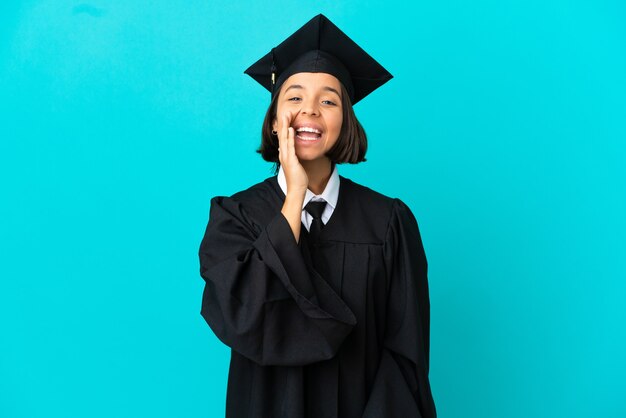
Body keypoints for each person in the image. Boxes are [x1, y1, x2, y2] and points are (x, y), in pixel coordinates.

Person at [198, 14, 437, 418]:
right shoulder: (235, 217)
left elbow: (405, 351)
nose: (310, 111)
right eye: (294, 98)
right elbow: (243, 317)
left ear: (345, 121)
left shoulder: (388, 222)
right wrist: (293, 198)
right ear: (275, 120)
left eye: (328, 100)